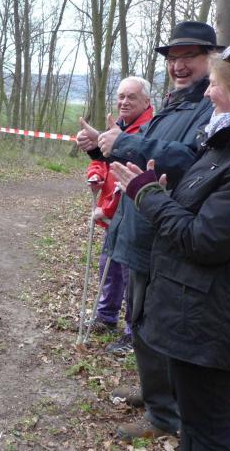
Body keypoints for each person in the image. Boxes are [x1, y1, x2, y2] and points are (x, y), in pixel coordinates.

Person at [110, 44, 230, 449]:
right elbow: (208, 213)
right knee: (198, 427)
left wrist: (148, 196)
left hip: (217, 320)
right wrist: (163, 194)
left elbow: (204, 240)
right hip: (201, 311)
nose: (207, 93)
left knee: (207, 433)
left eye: (214, 84)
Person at [77, 21, 220, 441]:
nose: (179, 65)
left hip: (163, 232)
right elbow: (143, 159)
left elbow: (189, 160)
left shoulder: (209, 107)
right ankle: (154, 391)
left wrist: (121, 143)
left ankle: (163, 414)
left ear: (211, 59)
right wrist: (101, 146)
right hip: (140, 226)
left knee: (153, 322)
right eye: (173, 58)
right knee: (140, 319)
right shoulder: (174, 105)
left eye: (189, 56)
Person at [85, 77, 154, 357]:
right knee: (108, 266)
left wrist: (107, 210)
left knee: (131, 277)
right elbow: (104, 163)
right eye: (121, 96)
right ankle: (106, 317)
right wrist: (95, 173)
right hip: (115, 218)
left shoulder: (149, 131)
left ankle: (132, 332)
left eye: (131, 97)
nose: (124, 102)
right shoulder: (120, 128)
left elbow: (131, 180)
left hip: (133, 218)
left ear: (147, 101)